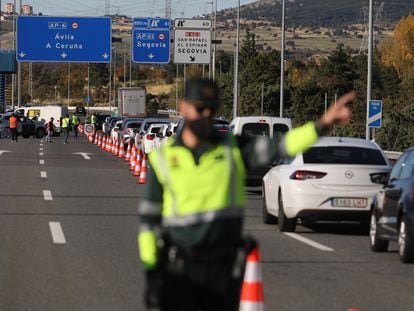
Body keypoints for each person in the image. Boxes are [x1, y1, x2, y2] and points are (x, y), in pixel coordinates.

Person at [137, 78, 354, 311]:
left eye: (212, 109)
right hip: (178, 269)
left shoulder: (234, 148)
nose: (206, 115)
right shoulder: (163, 159)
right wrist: (152, 271)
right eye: (200, 109)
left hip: (223, 269)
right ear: (183, 107)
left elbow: (283, 145)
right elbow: (149, 221)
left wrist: (322, 124)